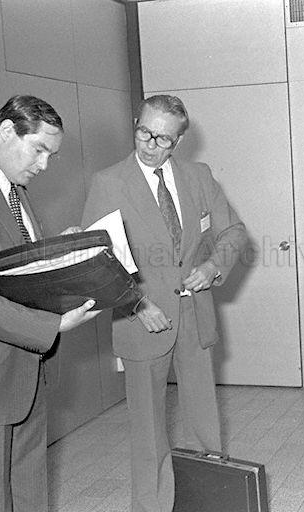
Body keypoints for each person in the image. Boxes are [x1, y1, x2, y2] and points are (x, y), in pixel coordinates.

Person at [81, 94, 247, 512]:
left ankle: (214, 500)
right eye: (144, 133)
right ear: (136, 124)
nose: (151, 145)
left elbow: (233, 233)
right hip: (141, 318)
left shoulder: (199, 176)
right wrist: (137, 304)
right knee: (149, 429)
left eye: (164, 140)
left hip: (194, 313)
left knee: (204, 419)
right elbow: (97, 260)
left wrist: (211, 267)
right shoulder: (109, 181)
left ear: (180, 141)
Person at [0, 95, 100, 512]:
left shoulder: (14, 188)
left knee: (29, 494)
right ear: (8, 131)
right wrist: (52, 327)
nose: (45, 165)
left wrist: (59, 253)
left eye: (52, 155)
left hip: (26, 371)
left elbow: (11, 266)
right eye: (40, 150)